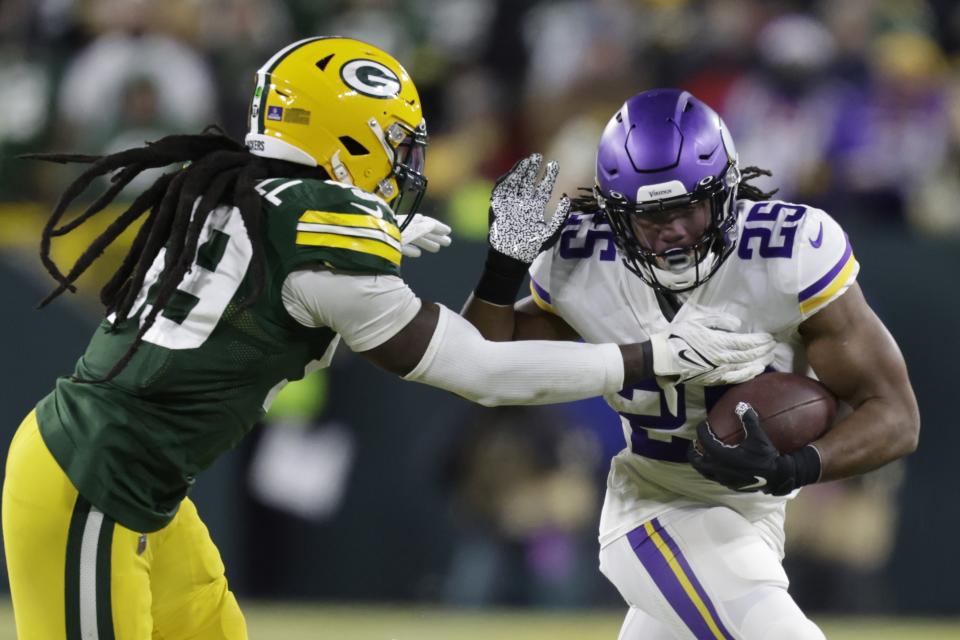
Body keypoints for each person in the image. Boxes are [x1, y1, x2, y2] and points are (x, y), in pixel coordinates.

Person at [1, 40, 777, 639]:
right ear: (347, 136)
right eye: (396, 142)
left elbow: (297, 271)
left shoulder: (245, 189)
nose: (406, 163)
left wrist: (497, 257)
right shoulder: (317, 230)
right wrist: (650, 356)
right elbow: (483, 371)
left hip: (140, 487)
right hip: (92, 480)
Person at [462, 88, 920, 639]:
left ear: (725, 193)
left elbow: (895, 415)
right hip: (654, 507)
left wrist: (798, 467)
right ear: (613, 213)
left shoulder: (787, 250)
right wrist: (500, 268)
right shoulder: (585, 260)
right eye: (648, 217)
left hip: (757, 516)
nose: (671, 230)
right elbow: (480, 364)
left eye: (686, 208)